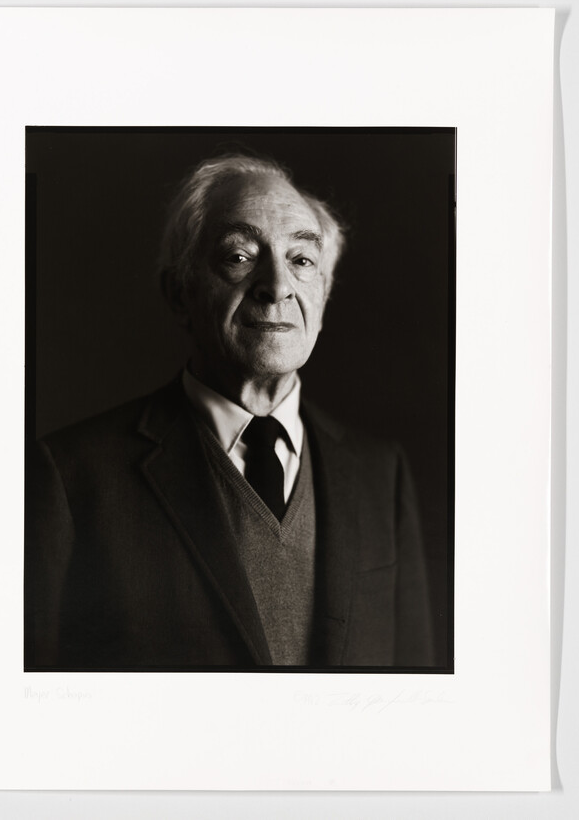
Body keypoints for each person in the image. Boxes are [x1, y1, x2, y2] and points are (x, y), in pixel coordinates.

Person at [25, 153, 434, 670]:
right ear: (179, 294)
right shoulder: (69, 478)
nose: (278, 286)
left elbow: (416, 701)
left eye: (302, 261)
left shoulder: (381, 476)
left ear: (325, 296)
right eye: (239, 256)